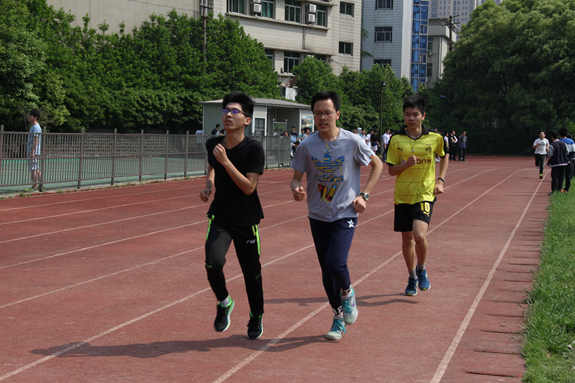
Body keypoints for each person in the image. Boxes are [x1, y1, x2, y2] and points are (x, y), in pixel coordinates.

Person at [290, 91, 383, 340]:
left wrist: (365, 195)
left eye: (327, 112)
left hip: (345, 212)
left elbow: (378, 165)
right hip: (318, 214)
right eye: (318, 113)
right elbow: (296, 178)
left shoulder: (352, 141)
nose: (322, 117)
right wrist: (296, 188)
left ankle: (347, 290)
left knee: (335, 263)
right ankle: (338, 318)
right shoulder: (307, 145)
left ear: (337, 114)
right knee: (325, 271)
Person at [199, 92, 265, 340]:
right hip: (221, 216)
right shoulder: (213, 144)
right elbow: (213, 165)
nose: (228, 114)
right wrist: (208, 184)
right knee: (212, 262)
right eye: (225, 110)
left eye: (235, 111)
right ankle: (224, 302)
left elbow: (249, 187)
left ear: (247, 120)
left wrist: (226, 162)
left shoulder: (254, 148)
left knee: (252, 274)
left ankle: (256, 315)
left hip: (246, 220)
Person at [387, 95, 448, 296]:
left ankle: (422, 270)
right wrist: (404, 165)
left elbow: (444, 155)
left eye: (415, 114)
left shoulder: (435, 138)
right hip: (403, 195)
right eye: (407, 114)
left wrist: (441, 180)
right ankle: (412, 276)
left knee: (419, 235)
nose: (410, 118)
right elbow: (391, 171)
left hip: (425, 193)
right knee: (406, 239)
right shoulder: (396, 140)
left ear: (423, 115)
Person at [547, 130, 568, 196]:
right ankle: (559, 190)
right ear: (558, 136)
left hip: (555, 163)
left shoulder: (552, 145)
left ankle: (554, 191)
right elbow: (567, 152)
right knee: (561, 177)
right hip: (564, 162)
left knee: (555, 177)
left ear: (552, 137)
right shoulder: (564, 144)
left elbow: (550, 154)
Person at [27, 110, 42, 192]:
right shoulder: (34, 126)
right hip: (34, 150)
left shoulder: (36, 127)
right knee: (36, 167)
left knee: (33, 168)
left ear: (35, 117)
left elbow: (36, 139)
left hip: (34, 151)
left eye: (31, 115)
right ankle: (40, 185)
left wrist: (32, 151)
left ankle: (35, 186)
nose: (29, 116)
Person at [559, 128, 575, 192]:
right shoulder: (571, 141)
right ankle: (567, 189)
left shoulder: (558, 141)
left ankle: (561, 188)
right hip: (569, 159)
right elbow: (573, 150)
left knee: (561, 175)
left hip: (560, 160)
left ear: (559, 134)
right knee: (568, 175)